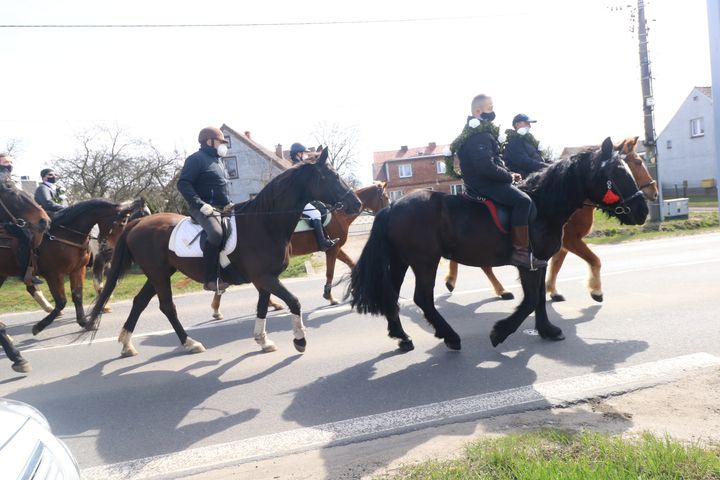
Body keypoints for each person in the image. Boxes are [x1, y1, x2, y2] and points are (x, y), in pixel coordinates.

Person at [454, 95, 544, 270]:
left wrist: (510, 173)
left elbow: (493, 163)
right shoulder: (479, 135)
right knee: (523, 201)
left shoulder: (479, 132)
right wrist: (508, 177)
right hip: (484, 184)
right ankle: (520, 253)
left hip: (487, 181)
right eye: (489, 108)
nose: (492, 111)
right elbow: (485, 167)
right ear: (478, 111)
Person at [177, 127, 232, 292]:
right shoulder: (196, 159)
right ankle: (210, 280)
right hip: (201, 208)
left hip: (222, 208)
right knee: (216, 234)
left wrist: (229, 203)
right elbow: (183, 184)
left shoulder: (219, 161)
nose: (223, 145)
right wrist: (200, 204)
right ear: (210, 141)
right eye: (221, 142)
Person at [0, 153, 43, 285]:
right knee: (26, 237)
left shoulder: (6, 178)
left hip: (7, 219)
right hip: (3, 221)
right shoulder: (2, 178)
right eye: (6, 162)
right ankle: (26, 272)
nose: (9, 165)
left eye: (11, 162)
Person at [289, 143, 337, 252]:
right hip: (298, 201)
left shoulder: (298, 164)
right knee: (315, 213)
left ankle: (326, 238)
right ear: (298, 154)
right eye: (304, 153)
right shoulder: (297, 166)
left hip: (302, 199)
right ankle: (322, 243)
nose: (305, 155)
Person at [503, 113, 549, 179]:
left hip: (535, 175)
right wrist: (547, 167)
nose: (530, 126)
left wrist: (553, 164)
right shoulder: (513, 141)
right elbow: (524, 162)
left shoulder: (528, 141)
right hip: (524, 179)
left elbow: (538, 158)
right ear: (517, 124)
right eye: (527, 123)